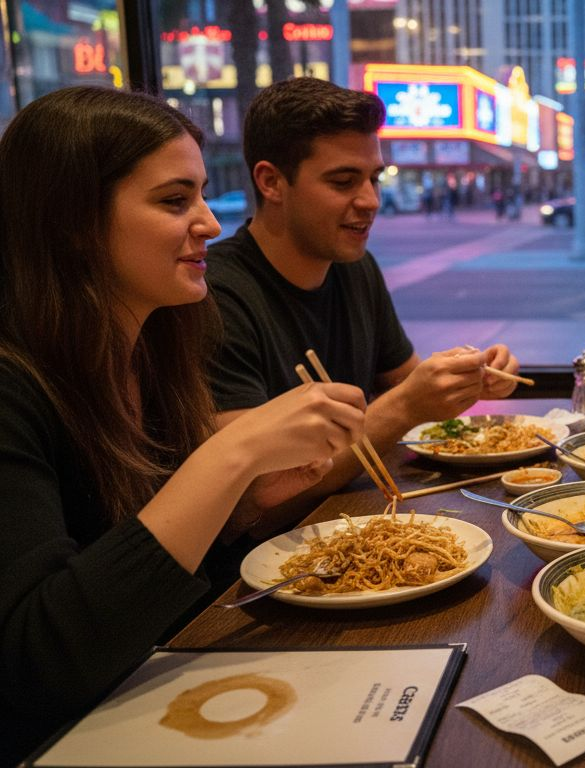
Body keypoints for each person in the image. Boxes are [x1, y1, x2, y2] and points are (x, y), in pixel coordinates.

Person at [0, 87, 366, 763]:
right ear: (72, 221)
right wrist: (233, 455)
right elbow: (37, 661)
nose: (209, 222)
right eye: (175, 201)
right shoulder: (16, 386)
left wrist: (253, 491)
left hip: (169, 691)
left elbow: (177, 568)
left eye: (202, 194)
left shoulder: (158, 350)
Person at [206, 77, 521, 535]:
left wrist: (467, 378)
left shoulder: (353, 267)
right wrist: (404, 406)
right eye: (343, 181)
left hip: (357, 522)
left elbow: (407, 382)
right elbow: (255, 498)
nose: (371, 201)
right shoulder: (218, 296)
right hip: (258, 569)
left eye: (374, 178)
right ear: (271, 181)